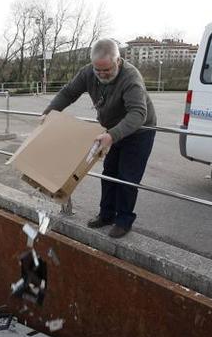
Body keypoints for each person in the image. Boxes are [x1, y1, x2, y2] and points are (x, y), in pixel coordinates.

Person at [42, 38, 156, 238]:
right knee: (109, 173)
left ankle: (124, 220)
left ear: (118, 61)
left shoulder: (131, 78)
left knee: (127, 178)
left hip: (138, 131)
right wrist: (49, 112)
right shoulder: (88, 72)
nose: (102, 75)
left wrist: (112, 135)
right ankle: (106, 214)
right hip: (111, 130)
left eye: (107, 70)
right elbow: (69, 93)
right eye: (98, 70)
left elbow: (139, 114)